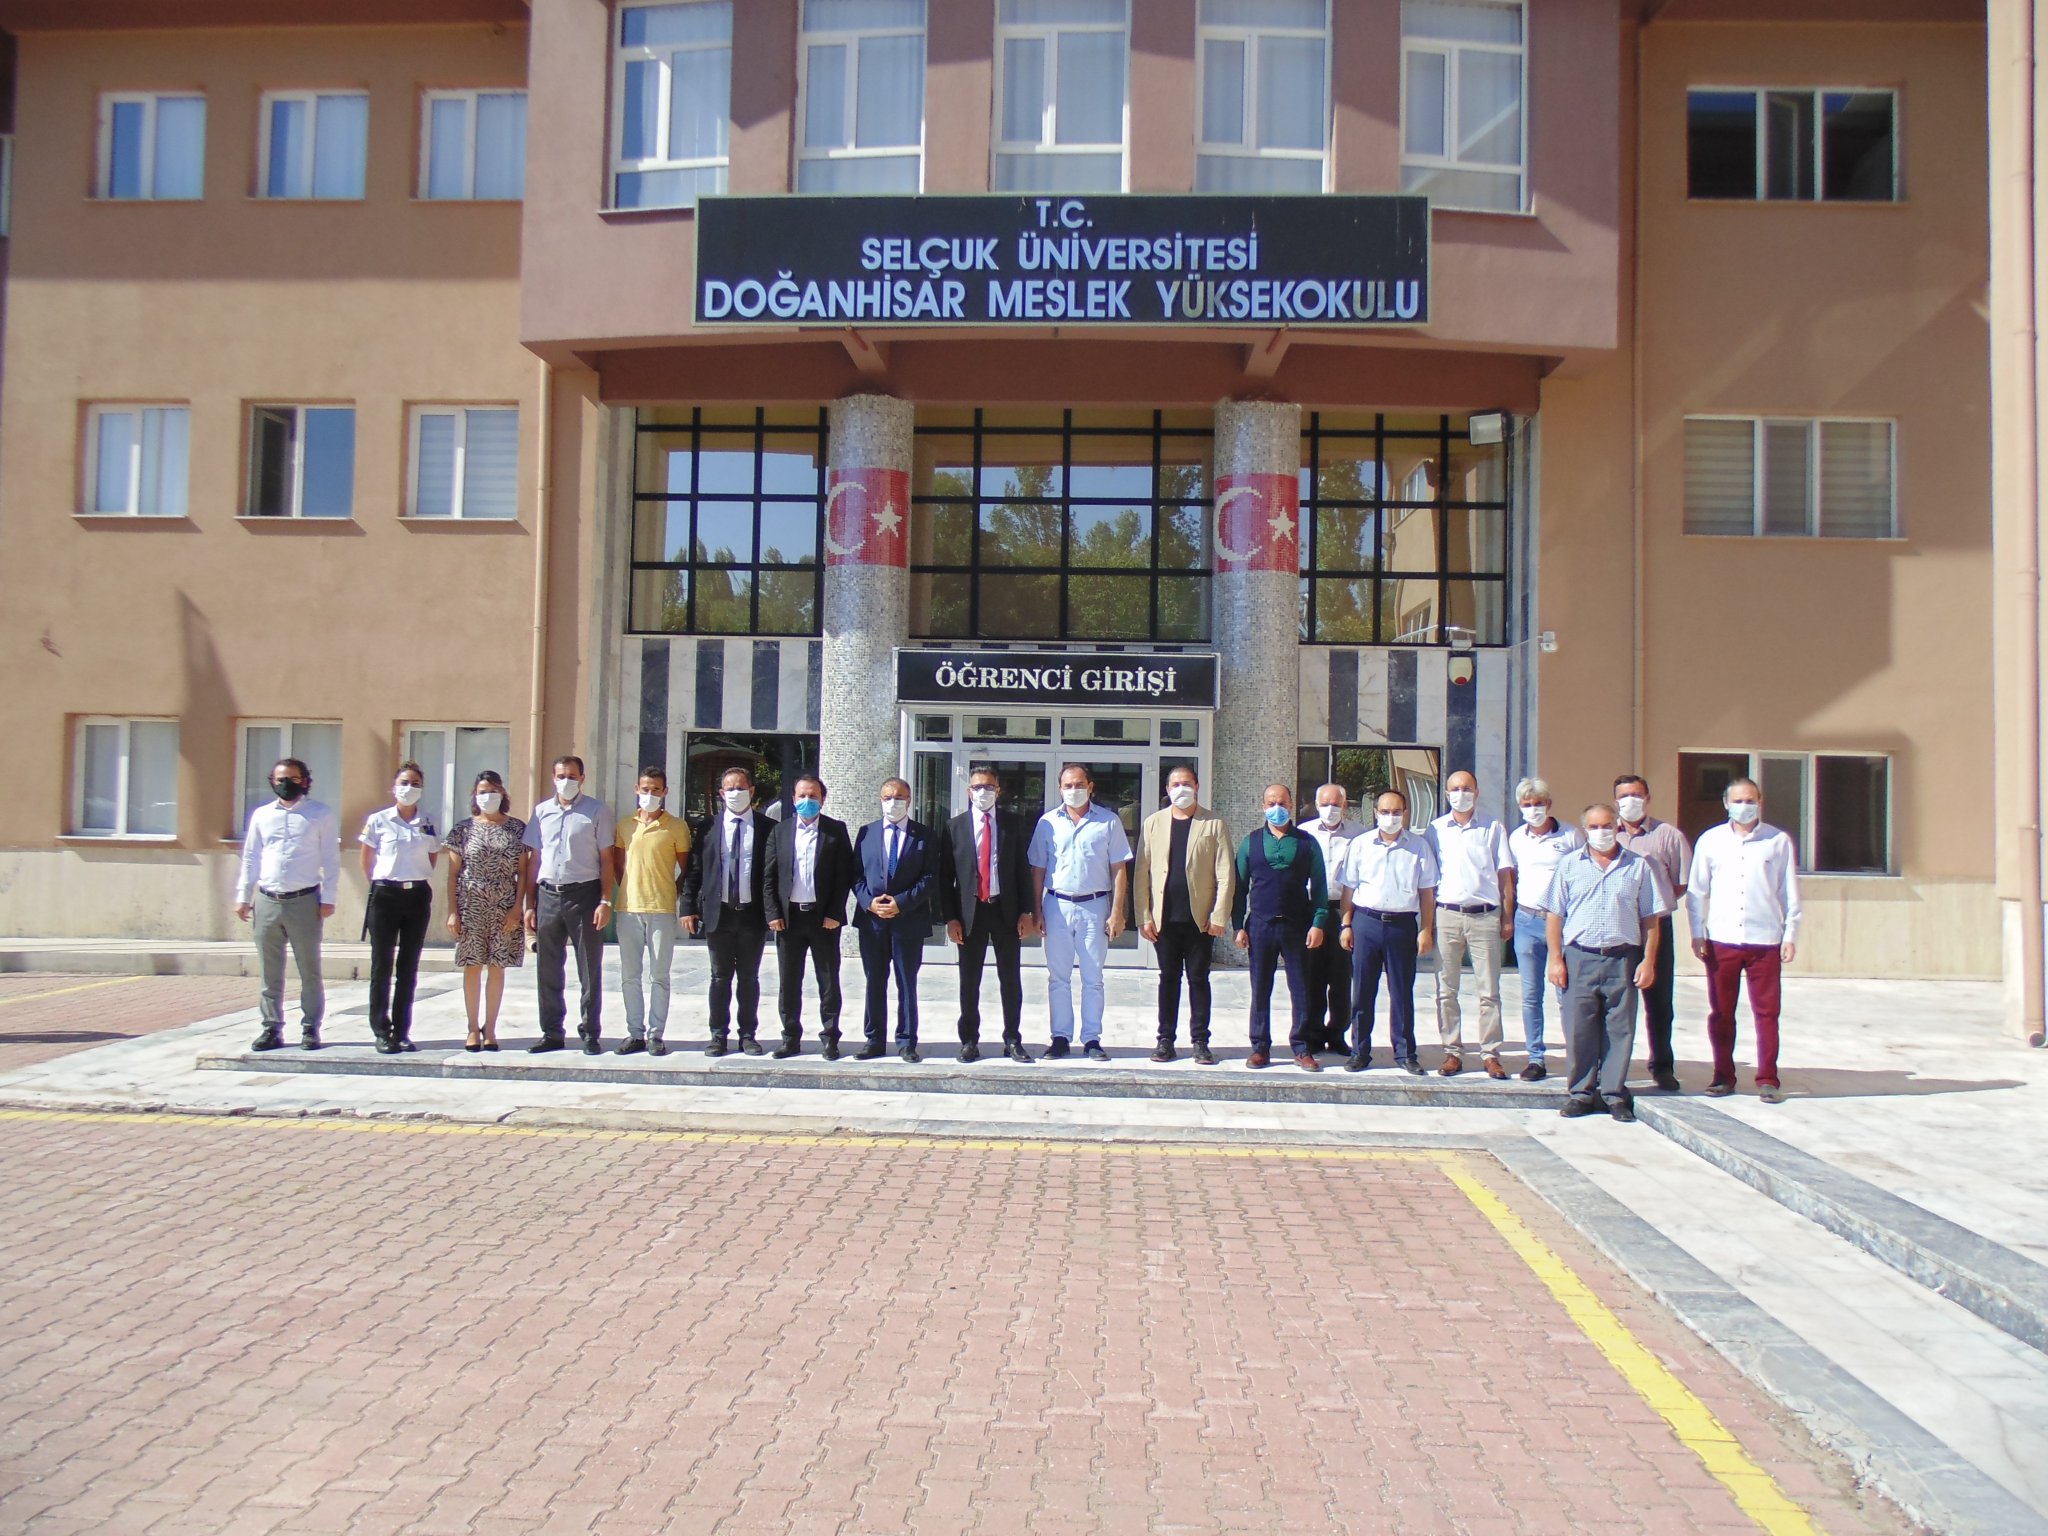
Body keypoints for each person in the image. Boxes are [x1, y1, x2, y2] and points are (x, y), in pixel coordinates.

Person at [1541, 802, 1663, 1122]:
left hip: (1622, 957)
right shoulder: (1569, 865)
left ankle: (1613, 1093)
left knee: (1619, 1029)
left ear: (1617, 826)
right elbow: (1554, 915)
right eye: (1594, 827)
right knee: (1578, 1029)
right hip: (1579, 957)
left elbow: (1651, 918)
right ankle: (1581, 1093)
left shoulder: (1638, 866)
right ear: (1584, 830)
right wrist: (1555, 959)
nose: (1601, 832)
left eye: (1607, 825)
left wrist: (1648, 960)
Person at [1688, 777, 1802, 1103]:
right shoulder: (1710, 841)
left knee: (1767, 1013)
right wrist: (1697, 932)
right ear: (1726, 803)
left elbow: (1789, 891)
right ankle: (1723, 1076)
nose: (1744, 806)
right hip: (1722, 939)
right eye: (1737, 801)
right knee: (1721, 1012)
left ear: (1760, 802)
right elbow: (1697, 891)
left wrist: (1790, 934)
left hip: (1765, 940)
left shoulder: (1777, 841)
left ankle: (1767, 1078)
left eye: (1750, 800)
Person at [235, 757, 341, 1052]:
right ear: (272, 782)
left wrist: (329, 898)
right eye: (280, 779)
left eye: (293, 779)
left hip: (304, 901)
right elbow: (251, 857)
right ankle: (271, 1028)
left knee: (309, 970)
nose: (286, 784)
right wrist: (243, 896)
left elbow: (331, 859)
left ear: (305, 781)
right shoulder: (262, 815)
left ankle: (310, 1028)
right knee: (270, 972)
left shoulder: (320, 814)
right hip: (267, 900)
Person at [1029, 764, 1132, 1061]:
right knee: (1058, 977)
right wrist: (1036, 910)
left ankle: (1092, 1038)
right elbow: (1038, 869)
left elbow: (1119, 869)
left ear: (1090, 786)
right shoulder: (1047, 822)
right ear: (1060, 789)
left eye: (1078, 784)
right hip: (1057, 905)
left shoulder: (1108, 822)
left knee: (1093, 977)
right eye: (1068, 785)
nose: (1073, 790)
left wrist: (1117, 911)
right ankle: (1060, 1037)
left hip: (1095, 906)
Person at [1133, 766, 1233, 1064]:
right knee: (1168, 979)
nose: (1181, 789)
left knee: (1199, 979)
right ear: (1167, 789)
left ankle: (1200, 1041)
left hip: (1200, 920)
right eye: (1175, 784)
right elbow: (1141, 873)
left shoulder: (1213, 823)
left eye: (1186, 783)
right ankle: (1165, 1040)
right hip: (1164, 919)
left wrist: (1219, 915)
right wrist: (1143, 915)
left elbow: (1225, 873)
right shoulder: (1153, 823)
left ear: (1197, 786)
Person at [938, 766, 1037, 1063]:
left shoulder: (1012, 824)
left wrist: (1026, 911)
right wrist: (951, 918)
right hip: (971, 914)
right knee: (969, 981)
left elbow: (1022, 870)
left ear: (998, 790)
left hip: (1005, 911)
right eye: (978, 787)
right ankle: (969, 1040)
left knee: (1010, 979)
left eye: (989, 787)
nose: (984, 792)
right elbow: (945, 877)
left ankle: (1013, 1039)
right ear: (969, 791)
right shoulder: (954, 827)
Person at [1232, 785, 1333, 1071]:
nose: (1277, 807)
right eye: (1271, 802)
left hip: (1297, 924)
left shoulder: (1307, 843)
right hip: (1260, 925)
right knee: (1260, 987)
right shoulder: (1250, 842)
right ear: (1263, 806)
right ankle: (1259, 1047)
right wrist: (1238, 926)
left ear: (1291, 805)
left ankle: (1301, 1047)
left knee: (1301, 988)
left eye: (1282, 802)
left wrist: (1318, 922)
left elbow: (1320, 887)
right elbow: (1239, 888)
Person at [1337, 789, 1438, 1075]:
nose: (1390, 817)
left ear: (1405, 813)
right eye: (1384, 812)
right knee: (1362, 991)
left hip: (1402, 925)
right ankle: (1360, 1051)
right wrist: (1346, 924)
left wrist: (1426, 929)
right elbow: (1349, 889)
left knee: (1402, 992)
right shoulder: (1360, 844)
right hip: (1366, 923)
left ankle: (1405, 1053)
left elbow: (1427, 893)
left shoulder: (1418, 847)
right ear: (1375, 813)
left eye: (1396, 812)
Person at [680, 766, 776, 1056]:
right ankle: (718, 1035)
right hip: (718, 913)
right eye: (730, 789)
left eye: (740, 788)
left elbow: (772, 874)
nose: (735, 793)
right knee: (719, 977)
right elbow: (695, 869)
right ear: (721, 793)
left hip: (751, 915)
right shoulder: (708, 828)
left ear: (752, 791)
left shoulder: (767, 828)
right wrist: (687, 907)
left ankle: (748, 1035)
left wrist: (773, 912)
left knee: (749, 978)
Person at [521, 755, 613, 1054]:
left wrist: (605, 899)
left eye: (572, 776)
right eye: (561, 776)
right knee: (548, 967)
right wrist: (530, 904)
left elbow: (607, 859)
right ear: (553, 777)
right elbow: (535, 860)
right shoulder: (541, 812)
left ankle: (590, 1031)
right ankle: (551, 1031)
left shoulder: (596, 811)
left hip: (584, 894)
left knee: (589, 966)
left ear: (582, 778)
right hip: (548, 894)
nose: (566, 781)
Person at [1427, 769, 1515, 1078]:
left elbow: (1505, 875)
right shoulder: (1436, 829)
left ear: (1476, 793)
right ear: (1446, 794)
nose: (1460, 794)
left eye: (1466, 788)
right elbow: (1428, 879)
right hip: (1447, 915)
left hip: (1485, 916)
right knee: (1446, 990)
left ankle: (1490, 1054)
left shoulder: (1492, 826)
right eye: (1455, 788)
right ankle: (1452, 1052)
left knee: (1489, 991)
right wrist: (1428, 923)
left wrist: (1507, 916)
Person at [764, 774, 856, 1059]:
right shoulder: (780, 831)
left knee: (828, 980)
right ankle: (790, 1037)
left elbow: (844, 875)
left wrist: (835, 913)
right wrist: (773, 913)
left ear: (822, 799)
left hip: (823, 919)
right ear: (793, 799)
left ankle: (830, 1038)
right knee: (789, 981)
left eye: (813, 796)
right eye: (802, 795)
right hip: (789, 919)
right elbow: (769, 876)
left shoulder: (835, 831)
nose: (807, 800)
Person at [1614, 773, 1693, 1092]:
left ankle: (1662, 1066)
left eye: (1636, 795)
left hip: (1656, 926)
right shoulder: (1606, 834)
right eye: (1624, 796)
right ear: (1615, 801)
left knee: (1659, 1001)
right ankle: (1614, 1066)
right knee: (1617, 1002)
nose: (1630, 801)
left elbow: (1680, 883)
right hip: (1618, 927)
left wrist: (1655, 903)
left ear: (1647, 798)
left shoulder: (1668, 835)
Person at [442, 770, 530, 1051]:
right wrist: (453, 911)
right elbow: (453, 875)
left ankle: (490, 1027)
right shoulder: (463, 829)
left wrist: (517, 908)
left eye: (493, 790)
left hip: (504, 906)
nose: (488, 796)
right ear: (474, 795)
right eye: (482, 791)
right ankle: (472, 1027)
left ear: (502, 793)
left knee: (497, 967)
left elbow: (523, 872)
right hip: (471, 905)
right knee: (472, 967)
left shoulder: (517, 828)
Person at [852, 778, 937, 1061]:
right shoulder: (866, 833)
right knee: (874, 980)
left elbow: (930, 878)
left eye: (899, 797)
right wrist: (869, 902)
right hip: (873, 922)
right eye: (888, 797)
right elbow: (856, 874)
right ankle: (874, 1039)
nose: (893, 802)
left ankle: (907, 1041)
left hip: (908, 921)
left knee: (906, 982)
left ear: (909, 800)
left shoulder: (924, 835)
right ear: (880, 799)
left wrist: (901, 903)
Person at [358, 760, 439, 1054]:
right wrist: (381, 883)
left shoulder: (427, 821)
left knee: (408, 966)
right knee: (382, 965)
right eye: (404, 783)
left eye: (415, 784)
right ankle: (382, 1031)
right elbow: (366, 858)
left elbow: (432, 856)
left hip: (416, 895)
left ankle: (402, 1031)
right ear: (393, 787)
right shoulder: (379, 820)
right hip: (385, 896)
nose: (409, 788)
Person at [1506, 777, 1583, 1083]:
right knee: (1530, 994)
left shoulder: (1570, 836)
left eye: (1538, 803)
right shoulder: (1516, 838)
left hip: (1562, 923)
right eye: (1527, 804)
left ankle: (1577, 1057)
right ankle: (1536, 1058)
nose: (1533, 809)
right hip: (1527, 920)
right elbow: (1512, 877)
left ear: (1548, 804)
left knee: (1566, 993)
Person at [611, 766, 690, 1057]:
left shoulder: (676, 826)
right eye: (645, 789)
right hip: (629, 909)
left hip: (661, 909)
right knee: (630, 975)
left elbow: (685, 867)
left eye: (656, 789)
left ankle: (656, 1034)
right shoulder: (625, 825)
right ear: (637, 789)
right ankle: (635, 1033)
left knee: (659, 975)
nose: (650, 794)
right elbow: (618, 864)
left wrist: (673, 891)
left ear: (665, 791)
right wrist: (628, 888)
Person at [1298, 784, 1366, 1056]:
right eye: (1325, 804)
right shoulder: (1304, 833)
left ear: (1345, 805)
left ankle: (1337, 1033)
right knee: (1311, 975)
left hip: (1343, 910)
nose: (1330, 809)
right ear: (1316, 805)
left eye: (1336, 804)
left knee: (1341, 976)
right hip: (1311, 910)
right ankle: (1313, 1034)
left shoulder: (1359, 834)